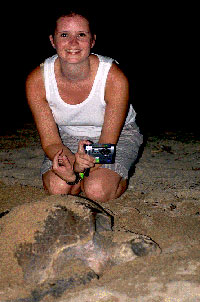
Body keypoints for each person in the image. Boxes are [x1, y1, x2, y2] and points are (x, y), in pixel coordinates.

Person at [26, 9, 143, 202]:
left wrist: (83, 165)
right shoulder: (37, 80)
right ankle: (80, 179)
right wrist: (73, 169)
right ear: (53, 41)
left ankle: (115, 177)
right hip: (68, 135)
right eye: (64, 35)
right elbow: (51, 143)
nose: (73, 43)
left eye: (81, 35)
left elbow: (106, 145)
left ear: (92, 40)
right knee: (58, 188)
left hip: (118, 136)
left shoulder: (114, 78)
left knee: (97, 190)